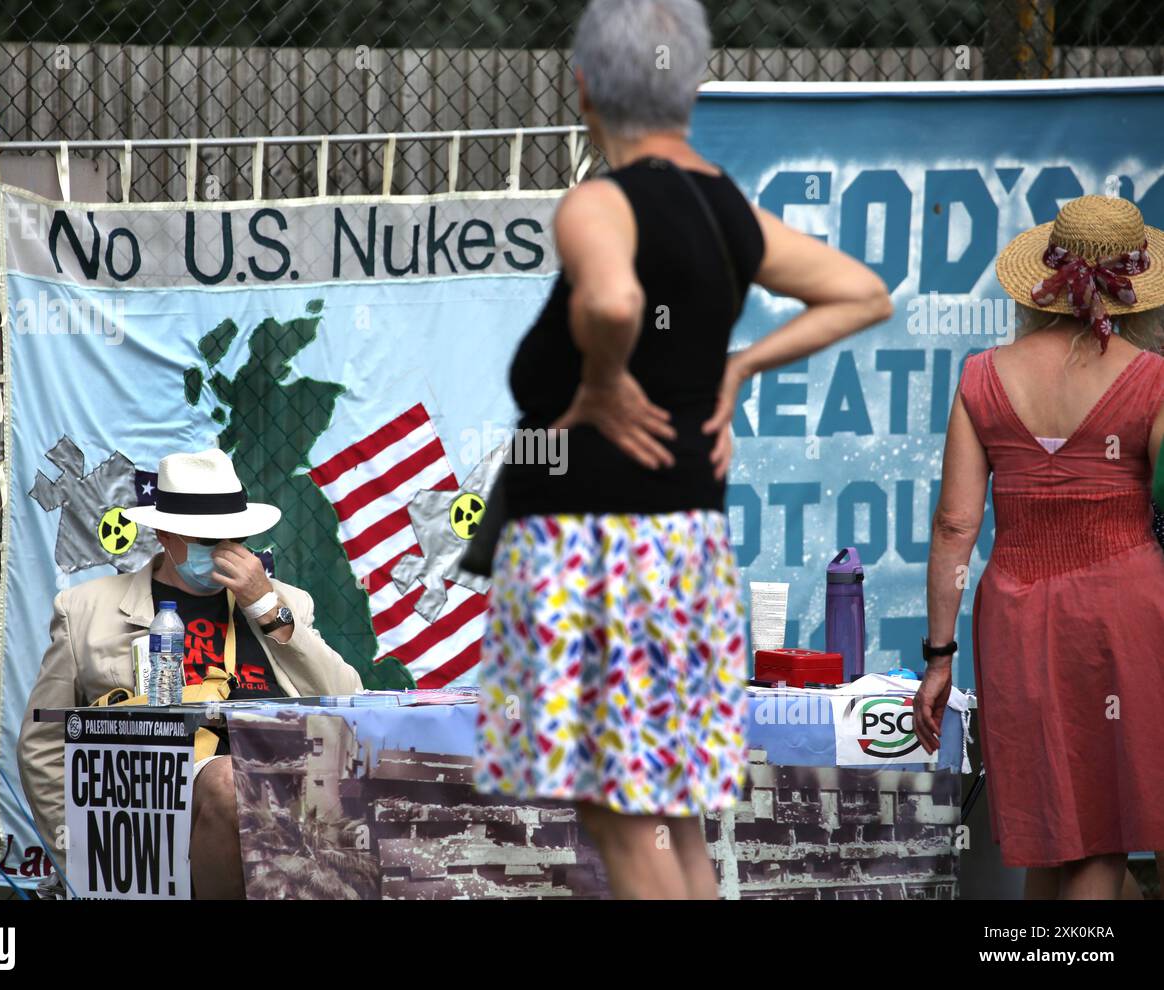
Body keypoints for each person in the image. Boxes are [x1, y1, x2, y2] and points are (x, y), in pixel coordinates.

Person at [472, 0, 892, 899]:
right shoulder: (725, 208)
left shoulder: (601, 200)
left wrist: (603, 380)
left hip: (594, 551)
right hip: (683, 552)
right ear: (690, 86)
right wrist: (738, 367)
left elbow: (614, 303)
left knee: (624, 819)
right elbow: (861, 293)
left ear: (582, 88)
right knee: (670, 820)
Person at [914, 194, 1164, 898]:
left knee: (1051, 833)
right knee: (1103, 837)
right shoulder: (1152, 380)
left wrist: (939, 659)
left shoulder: (982, 377)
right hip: (1123, 613)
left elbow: (955, 527)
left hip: (1016, 617)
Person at [18, 448, 362, 899]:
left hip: (289, 802)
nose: (223, 554)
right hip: (156, 814)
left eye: (232, 539)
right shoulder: (87, 611)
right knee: (225, 780)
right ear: (165, 534)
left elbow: (351, 699)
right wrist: (87, 856)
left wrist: (268, 611)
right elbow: (43, 745)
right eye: (206, 541)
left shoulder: (282, 603)